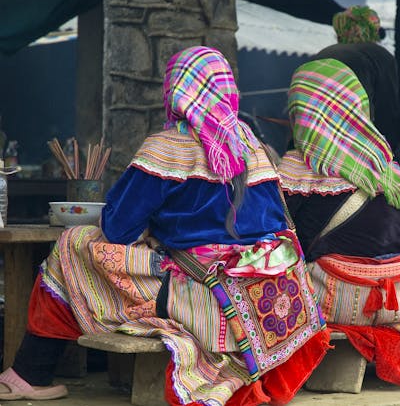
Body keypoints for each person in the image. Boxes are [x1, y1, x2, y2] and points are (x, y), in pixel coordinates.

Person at [0, 46, 330, 405]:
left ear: (176, 91)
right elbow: (270, 223)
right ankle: (33, 372)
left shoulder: (166, 148)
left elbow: (117, 230)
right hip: (262, 298)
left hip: (201, 294)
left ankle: (29, 372)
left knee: (72, 243)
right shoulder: (255, 146)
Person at [278, 58, 400, 386]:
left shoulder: (297, 170)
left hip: (337, 298)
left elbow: (286, 244)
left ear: (302, 111)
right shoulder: (384, 163)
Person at [315, 6, 400, 152]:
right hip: (357, 146)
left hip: (316, 142)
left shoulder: (321, 55)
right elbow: (387, 109)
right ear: (372, 29)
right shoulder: (378, 55)